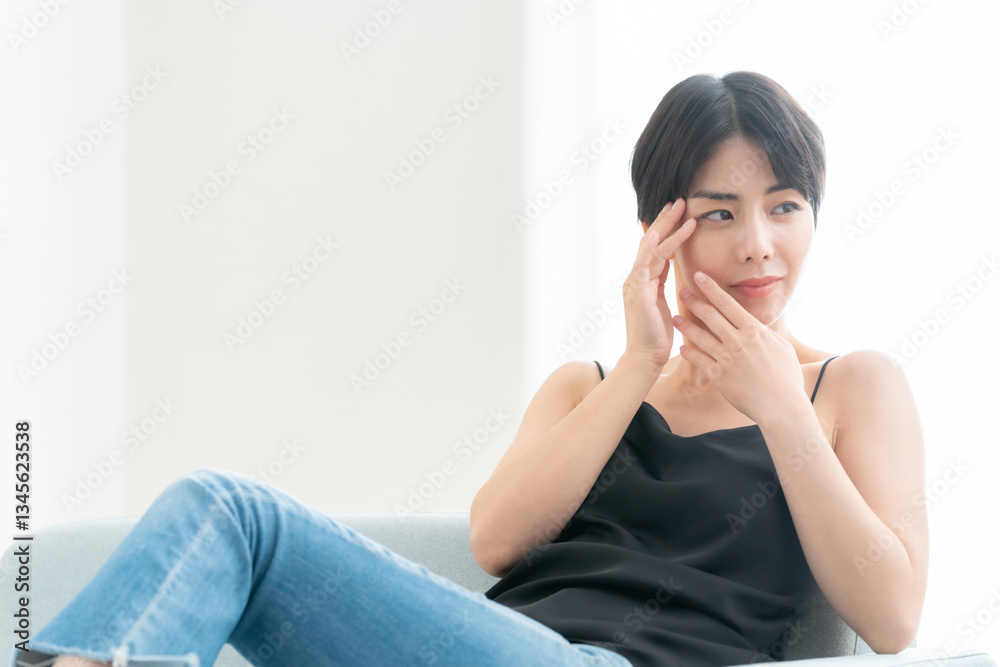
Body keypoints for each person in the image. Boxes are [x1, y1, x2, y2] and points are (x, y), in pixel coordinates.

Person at [11, 70, 928, 667]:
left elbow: (892, 618)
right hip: (512, 646)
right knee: (223, 518)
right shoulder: (589, 387)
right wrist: (642, 361)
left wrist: (781, 409)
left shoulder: (851, 387)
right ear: (662, 229)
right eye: (720, 213)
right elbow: (496, 541)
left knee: (232, 507)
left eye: (785, 206)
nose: (759, 244)